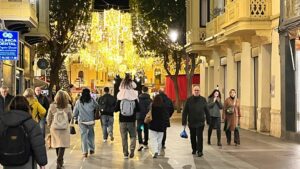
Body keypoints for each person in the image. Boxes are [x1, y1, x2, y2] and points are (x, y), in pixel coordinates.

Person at [0, 96, 47, 169]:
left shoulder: (3, 123)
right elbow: (38, 144)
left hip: (7, 161)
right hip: (27, 161)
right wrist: (42, 162)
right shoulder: (32, 124)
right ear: (27, 107)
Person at [47, 90, 72, 169]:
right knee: (62, 145)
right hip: (64, 128)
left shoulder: (52, 106)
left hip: (54, 128)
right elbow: (70, 117)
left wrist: (49, 125)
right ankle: (59, 160)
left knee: (57, 144)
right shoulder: (68, 106)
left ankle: (59, 160)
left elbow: (48, 118)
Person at [182, 86, 210, 157]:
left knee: (200, 137)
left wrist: (208, 121)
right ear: (193, 91)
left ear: (199, 91)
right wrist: (184, 122)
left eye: (198, 90)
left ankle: (200, 151)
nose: (196, 91)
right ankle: (194, 149)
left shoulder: (203, 99)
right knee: (193, 136)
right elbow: (185, 112)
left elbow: (207, 111)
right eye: (195, 90)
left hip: (200, 122)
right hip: (191, 122)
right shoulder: (189, 100)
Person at [73, 88, 98, 157]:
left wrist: (75, 117)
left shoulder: (79, 101)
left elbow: (75, 112)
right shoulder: (92, 101)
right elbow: (97, 106)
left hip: (82, 121)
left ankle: (85, 151)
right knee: (91, 135)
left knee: (83, 136)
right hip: (91, 120)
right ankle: (92, 149)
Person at [136, 86, 152, 151]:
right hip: (147, 117)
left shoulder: (138, 99)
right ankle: (145, 143)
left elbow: (136, 108)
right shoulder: (150, 100)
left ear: (142, 91)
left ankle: (140, 143)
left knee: (139, 129)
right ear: (147, 91)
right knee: (146, 130)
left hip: (139, 116)